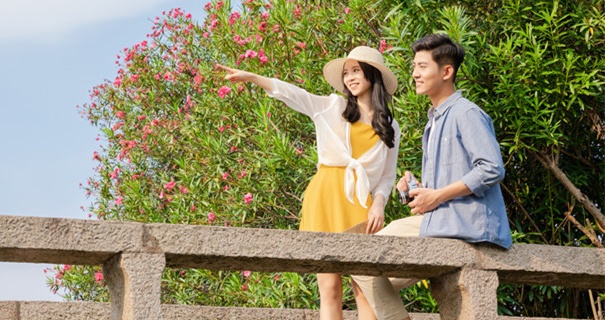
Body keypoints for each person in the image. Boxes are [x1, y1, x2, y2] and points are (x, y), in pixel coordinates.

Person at [218, 46, 401, 320]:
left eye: (356, 71)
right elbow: (296, 95)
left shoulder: (390, 125)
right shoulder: (334, 107)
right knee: (330, 289)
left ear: (372, 75)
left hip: (360, 202)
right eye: (346, 73)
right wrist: (254, 77)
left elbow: (387, 176)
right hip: (325, 198)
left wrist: (379, 205)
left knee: (366, 287)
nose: (350, 78)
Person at [351, 34, 513, 320]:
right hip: (441, 220)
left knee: (361, 259)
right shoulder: (434, 121)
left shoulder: (466, 113)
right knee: (363, 275)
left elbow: (491, 168)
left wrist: (436, 196)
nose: (415, 73)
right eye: (414, 66)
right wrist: (417, 190)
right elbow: (441, 192)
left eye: (422, 67)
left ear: (446, 71)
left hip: (463, 225)